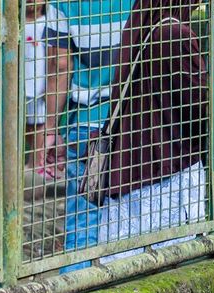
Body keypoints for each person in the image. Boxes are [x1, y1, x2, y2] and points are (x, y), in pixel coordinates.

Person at [96, 0, 214, 263]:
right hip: (164, 173)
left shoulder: (142, 23)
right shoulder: (176, 33)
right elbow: (208, 103)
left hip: (134, 168)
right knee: (171, 262)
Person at [39, 0, 136, 272]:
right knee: (131, 218)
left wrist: (50, 128)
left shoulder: (65, 3)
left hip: (86, 125)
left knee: (82, 223)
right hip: (132, 121)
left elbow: (60, 66)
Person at [24, 0, 47, 168]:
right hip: (22, 87)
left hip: (41, 86)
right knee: (26, 126)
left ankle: (36, 165)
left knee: (40, 125)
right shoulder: (16, 25)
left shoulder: (47, 23)